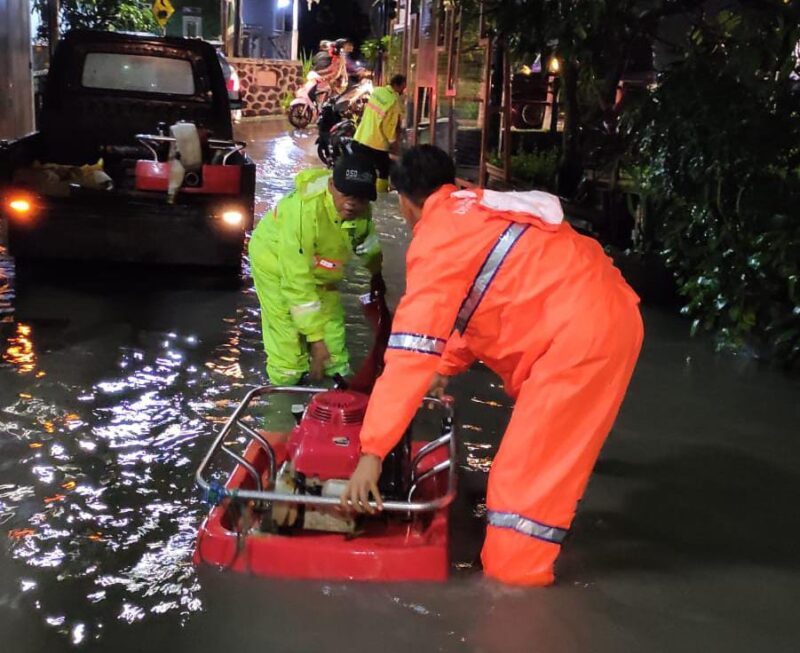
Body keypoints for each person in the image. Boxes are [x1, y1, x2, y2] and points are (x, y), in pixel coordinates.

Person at [341, 146, 644, 586]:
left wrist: (371, 453)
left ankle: (513, 592)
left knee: (520, 490)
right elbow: (488, 301)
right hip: (598, 319)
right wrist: (444, 366)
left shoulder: (437, 238)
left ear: (405, 201)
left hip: (578, 342)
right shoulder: (477, 208)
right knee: (536, 469)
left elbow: (409, 353)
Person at [248, 153, 384, 385]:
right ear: (331, 186)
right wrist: (315, 340)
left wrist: (376, 274)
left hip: (321, 267)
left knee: (334, 349)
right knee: (287, 345)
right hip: (275, 263)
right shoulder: (303, 212)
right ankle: (284, 391)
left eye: (360, 198)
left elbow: (367, 243)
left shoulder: (362, 211)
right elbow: (296, 282)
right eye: (346, 195)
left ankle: (338, 387)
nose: (352, 203)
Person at [352, 74, 407, 194]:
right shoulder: (393, 102)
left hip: (361, 137)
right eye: (404, 86)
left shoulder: (377, 91)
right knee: (383, 171)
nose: (404, 89)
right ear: (400, 85)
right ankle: (380, 197)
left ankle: (358, 190)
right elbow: (389, 127)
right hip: (377, 143)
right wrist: (394, 143)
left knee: (361, 169)